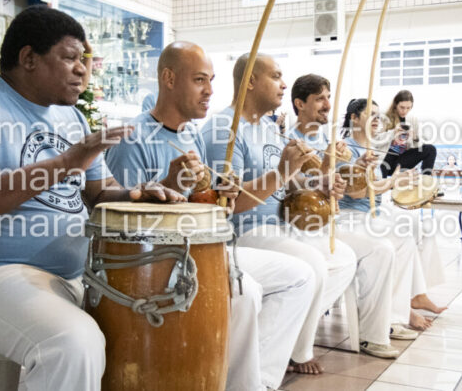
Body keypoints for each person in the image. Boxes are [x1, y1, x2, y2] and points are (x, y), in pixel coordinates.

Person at [0, 6, 185, 390]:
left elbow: (99, 192)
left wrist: (138, 194)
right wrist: (65, 162)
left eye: (85, 61)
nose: (83, 71)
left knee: (167, 311)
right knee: (71, 342)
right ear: (29, 58)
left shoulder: (71, 118)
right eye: (71, 58)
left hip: (74, 274)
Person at [105, 41, 315, 391]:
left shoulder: (191, 134)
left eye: (211, 81)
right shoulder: (133, 138)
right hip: (158, 261)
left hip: (202, 249)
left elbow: (203, 205)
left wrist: (222, 199)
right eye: (199, 80)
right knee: (245, 292)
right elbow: (121, 225)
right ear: (169, 79)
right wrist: (170, 186)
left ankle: (258, 381)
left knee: (301, 275)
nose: (210, 91)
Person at [202, 53, 398, 374]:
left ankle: (291, 342)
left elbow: (290, 183)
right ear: (250, 81)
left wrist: (322, 183)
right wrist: (283, 173)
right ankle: (268, 364)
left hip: (282, 225)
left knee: (343, 257)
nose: (283, 84)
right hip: (246, 230)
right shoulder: (225, 128)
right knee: (314, 265)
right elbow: (225, 202)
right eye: (276, 76)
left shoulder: (269, 129)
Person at [288, 74, 418, 340]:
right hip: (329, 219)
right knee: (383, 247)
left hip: (336, 215)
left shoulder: (329, 140)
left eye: (328, 97)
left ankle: (396, 315)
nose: (327, 104)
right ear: (299, 104)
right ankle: (377, 329)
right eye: (320, 99)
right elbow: (316, 185)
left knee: (405, 235)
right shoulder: (295, 141)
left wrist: (354, 169)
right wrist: (386, 181)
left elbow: (341, 180)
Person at [339, 98, 447, 328]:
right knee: (402, 237)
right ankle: (400, 310)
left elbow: (377, 183)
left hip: (375, 209)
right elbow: (358, 192)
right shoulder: (345, 149)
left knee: (422, 228)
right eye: (370, 115)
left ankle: (417, 294)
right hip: (354, 213)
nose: (376, 120)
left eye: (378, 115)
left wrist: (397, 180)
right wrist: (393, 181)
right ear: (354, 118)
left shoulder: (371, 148)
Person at [380, 90, 437, 178]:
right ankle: (382, 181)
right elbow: (377, 141)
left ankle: (426, 180)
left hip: (400, 160)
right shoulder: (384, 118)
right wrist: (393, 133)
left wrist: (414, 138)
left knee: (430, 149)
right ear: (395, 105)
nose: (405, 111)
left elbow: (417, 146)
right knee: (384, 161)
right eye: (402, 107)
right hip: (385, 160)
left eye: (408, 108)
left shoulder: (412, 120)